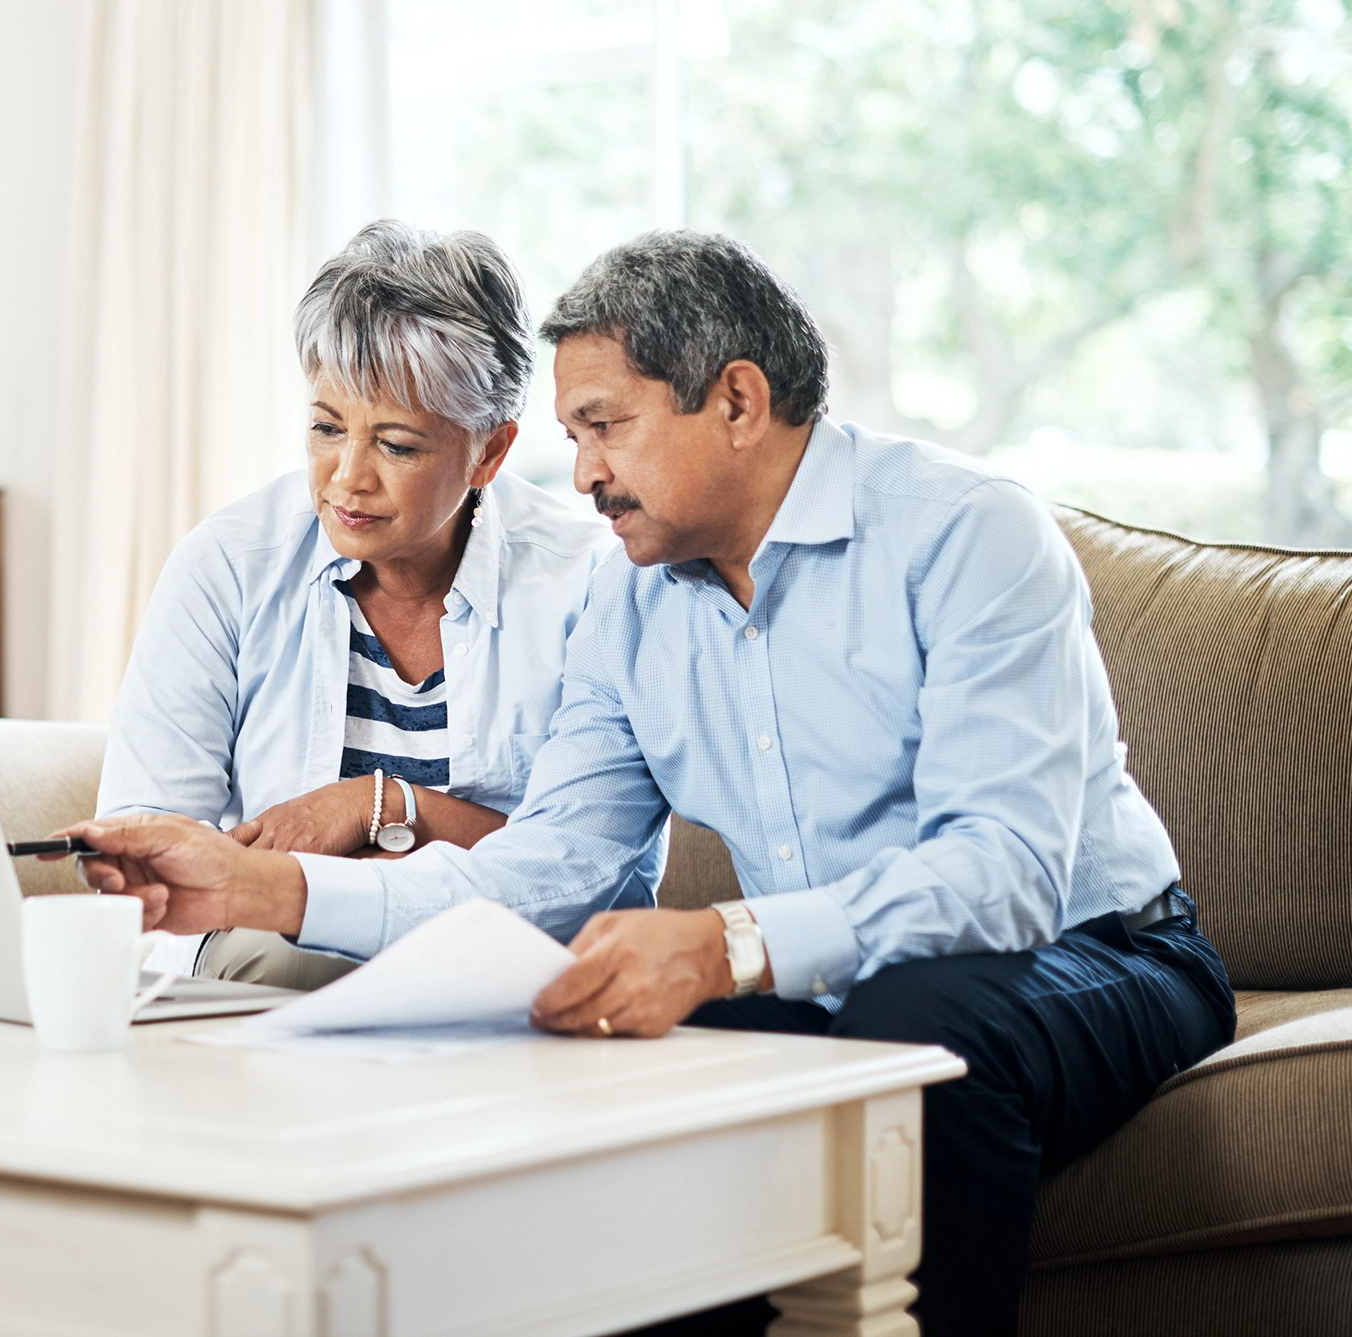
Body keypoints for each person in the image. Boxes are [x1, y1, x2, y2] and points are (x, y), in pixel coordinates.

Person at [61, 231, 1236, 1336]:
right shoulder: (623, 598)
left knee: (908, 1032)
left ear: (734, 401)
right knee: (622, 1078)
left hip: (1100, 946)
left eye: (602, 427)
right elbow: (545, 869)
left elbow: (1004, 874)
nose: (579, 475)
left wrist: (720, 943)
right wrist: (257, 888)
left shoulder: (967, 534)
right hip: (840, 976)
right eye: (572, 436)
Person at [96, 219, 650, 990]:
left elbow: (589, 871)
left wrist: (379, 804)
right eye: (326, 427)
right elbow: (151, 846)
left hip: (505, 970)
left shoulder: (588, 582)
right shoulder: (227, 565)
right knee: (275, 958)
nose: (346, 477)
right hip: (273, 970)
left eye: (395, 444)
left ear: (488, 450)